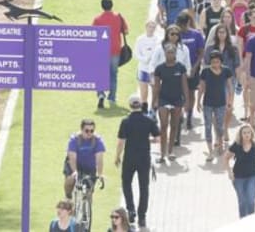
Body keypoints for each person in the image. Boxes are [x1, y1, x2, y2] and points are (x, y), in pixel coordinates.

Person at [115, 96, 160, 229]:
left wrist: (117, 156)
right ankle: (142, 216)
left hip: (129, 157)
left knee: (126, 182)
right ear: (141, 105)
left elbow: (121, 141)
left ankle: (131, 209)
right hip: (144, 157)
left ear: (130, 105)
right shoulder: (149, 120)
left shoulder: (126, 121)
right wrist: (145, 140)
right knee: (144, 187)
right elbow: (157, 138)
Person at [204, 23, 242, 141]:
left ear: (227, 34)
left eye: (224, 32)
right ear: (216, 34)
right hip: (214, 82)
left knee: (228, 107)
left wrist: (239, 81)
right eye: (219, 32)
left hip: (229, 80)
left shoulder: (233, 49)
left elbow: (237, 66)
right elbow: (206, 64)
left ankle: (225, 128)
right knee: (217, 109)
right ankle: (218, 134)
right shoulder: (210, 48)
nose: (222, 34)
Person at [152, 45, 189, 162]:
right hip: (164, 99)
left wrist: (186, 100)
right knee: (163, 126)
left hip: (177, 99)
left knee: (174, 125)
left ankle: (170, 151)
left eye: (172, 53)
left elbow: (184, 85)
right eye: (168, 53)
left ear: (175, 54)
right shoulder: (160, 68)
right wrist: (154, 100)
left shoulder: (180, 67)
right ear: (165, 54)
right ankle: (162, 153)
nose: (170, 55)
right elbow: (156, 86)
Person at [198, 50, 235, 161]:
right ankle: (210, 151)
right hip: (207, 103)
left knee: (220, 125)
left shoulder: (226, 71)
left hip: (221, 103)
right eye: (213, 62)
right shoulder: (205, 71)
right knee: (208, 126)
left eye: (217, 62)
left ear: (221, 62)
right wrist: (198, 101)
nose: (215, 64)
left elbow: (230, 87)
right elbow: (201, 87)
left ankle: (220, 143)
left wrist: (230, 102)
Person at [93, 0, 129, 109]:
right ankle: (112, 97)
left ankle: (100, 94)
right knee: (113, 75)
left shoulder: (97, 19)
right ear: (112, 5)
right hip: (115, 50)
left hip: (101, 51)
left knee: (100, 75)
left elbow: (93, 35)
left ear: (102, 6)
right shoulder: (118, 17)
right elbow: (126, 31)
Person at [225, 124, 255, 218]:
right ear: (240, 134)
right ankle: (243, 223)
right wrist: (229, 171)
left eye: (248, 132)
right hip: (238, 177)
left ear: (251, 133)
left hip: (253, 176)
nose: (247, 135)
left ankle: (251, 223)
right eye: (244, 133)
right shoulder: (236, 145)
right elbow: (226, 158)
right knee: (242, 201)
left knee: (251, 200)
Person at [176, 12, 205, 135]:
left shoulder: (196, 35)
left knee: (191, 92)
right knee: (180, 92)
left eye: (183, 25)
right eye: (179, 25)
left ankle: (189, 115)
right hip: (178, 69)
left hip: (193, 67)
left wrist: (194, 68)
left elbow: (201, 53)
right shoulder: (176, 34)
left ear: (188, 23)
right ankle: (181, 113)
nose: (181, 28)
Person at [63, 119, 105, 200]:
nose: (89, 133)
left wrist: (100, 174)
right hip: (75, 164)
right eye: (87, 131)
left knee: (89, 192)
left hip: (89, 167)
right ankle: (68, 197)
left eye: (92, 131)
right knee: (70, 179)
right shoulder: (74, 140)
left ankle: (86, 210)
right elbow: (72, 157)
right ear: (81, 130)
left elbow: (99, 159)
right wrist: (75, 171)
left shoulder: (97, 141)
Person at [134, 20, 158, 106]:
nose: (151, 29)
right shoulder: (140, 39)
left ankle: (153, 108)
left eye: (153, 27)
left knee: (155, 90)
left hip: (153, 70)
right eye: (150, 27)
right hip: (143, 68)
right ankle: (144, 107)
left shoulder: (157, 40)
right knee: (143, 91)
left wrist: (153, 60)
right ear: (146, 27)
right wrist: (144, 59)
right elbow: (136, 53)